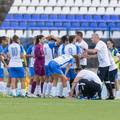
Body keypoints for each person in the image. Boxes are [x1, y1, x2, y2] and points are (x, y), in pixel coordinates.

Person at [86, 33, 114, 99]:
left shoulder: (100, 43)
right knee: (107, 81)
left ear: (96, 38)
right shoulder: (100, 44)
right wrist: (90, 57)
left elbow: (94, 51)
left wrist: (85, 49)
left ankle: (98, 96)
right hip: (106, 64)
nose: (91, 39)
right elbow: (97, 55)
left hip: (103, 65)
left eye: (92, 37)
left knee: (98, 80)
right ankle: (111, 95)